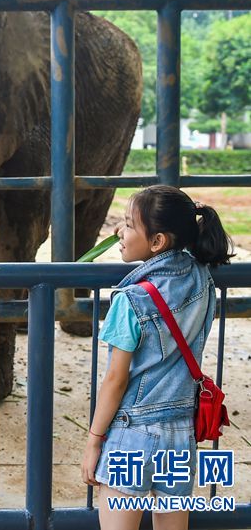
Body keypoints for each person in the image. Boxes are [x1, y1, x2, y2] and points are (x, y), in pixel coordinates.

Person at [81, 185, 233, 530]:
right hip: (180, 435)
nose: (119, 232)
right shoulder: (201, 280)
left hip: (130, 435)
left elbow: (115, 380)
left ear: (157, 242)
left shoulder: (131, 300)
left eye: (129, 224)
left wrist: (93, 442)